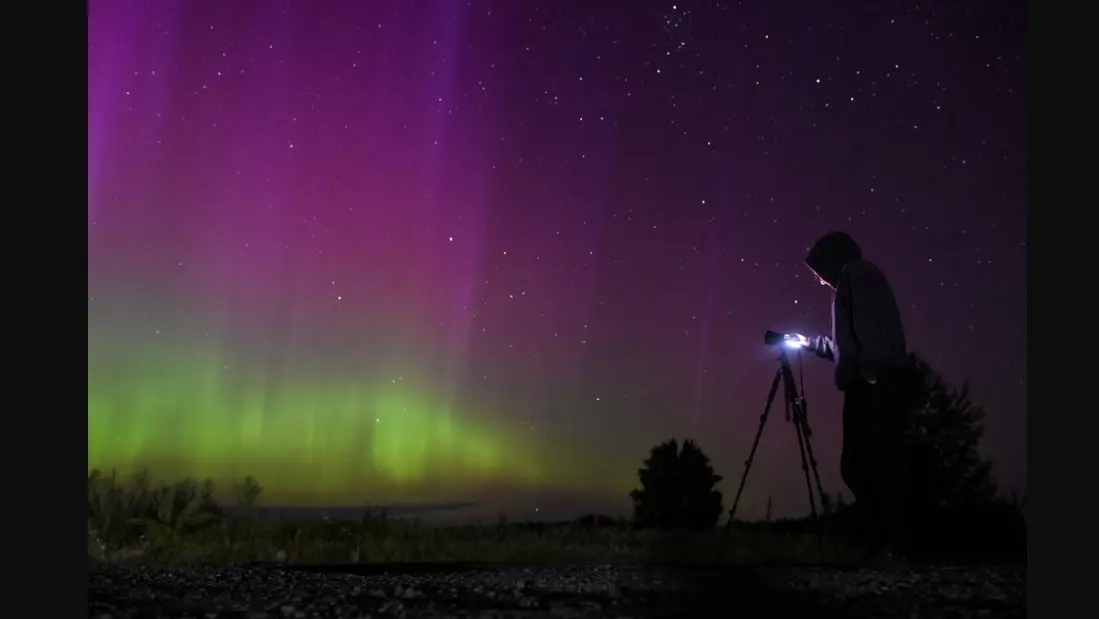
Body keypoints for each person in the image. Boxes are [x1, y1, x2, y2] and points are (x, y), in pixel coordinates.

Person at [802, 231, 913, 563]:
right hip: (871, 381)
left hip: (873, 384)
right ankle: (885, 544)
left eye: (819, 272)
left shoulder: (857, 274)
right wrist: (806, 342)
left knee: (866, 465)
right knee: (865, 465)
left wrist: (871, 373)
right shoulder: (854, 278)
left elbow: (871, 331)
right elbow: (845, 347)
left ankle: (886, 544)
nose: (820, 281)